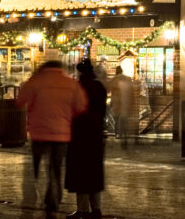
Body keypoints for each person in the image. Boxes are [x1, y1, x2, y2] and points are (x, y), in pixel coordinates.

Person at [16, 50, 88, 214]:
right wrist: (68, 116)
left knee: (36, 167)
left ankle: (33, 198)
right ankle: (53, 200)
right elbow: (81, 106)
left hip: (38, 133)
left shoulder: (37, 80)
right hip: (62, 134)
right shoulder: (70, 83)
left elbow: (20, 100)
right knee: (56, 168)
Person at [65, 58, 107, 219]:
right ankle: (96, 208)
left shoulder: (76, 87)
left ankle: (82, 209)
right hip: (95, 133)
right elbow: (103, 110)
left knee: (80, 172)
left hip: (79, 134)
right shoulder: (99, 87)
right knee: (94, 172)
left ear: (80, 71)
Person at [109, 66, 134, 146]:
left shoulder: (114, 80)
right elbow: (131, 91)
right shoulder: (127, 79)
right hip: (124, 101)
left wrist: (111, 102)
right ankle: (123, 134)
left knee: (116, 118)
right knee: (123, 118)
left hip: (116, 101)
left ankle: (117, 133)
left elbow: (112, 92)